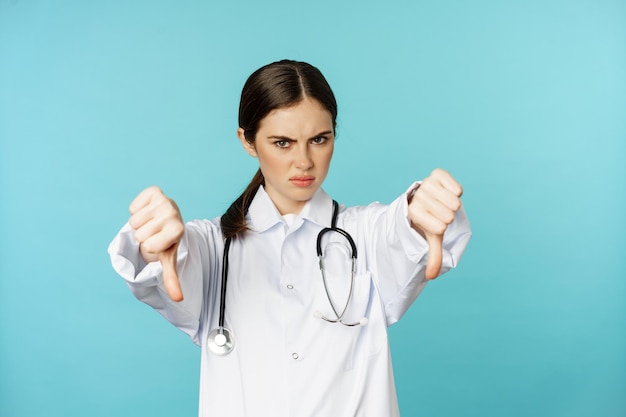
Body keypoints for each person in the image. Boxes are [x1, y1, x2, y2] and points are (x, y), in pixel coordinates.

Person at [108, 59, 471, 417]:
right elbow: (168, 264)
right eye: (282, 142)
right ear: (247, 142)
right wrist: (155, 243)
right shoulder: (212, 246)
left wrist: (421, 210)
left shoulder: (366, 234)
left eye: (319, 139)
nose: (304, 161)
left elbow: (402, 231)